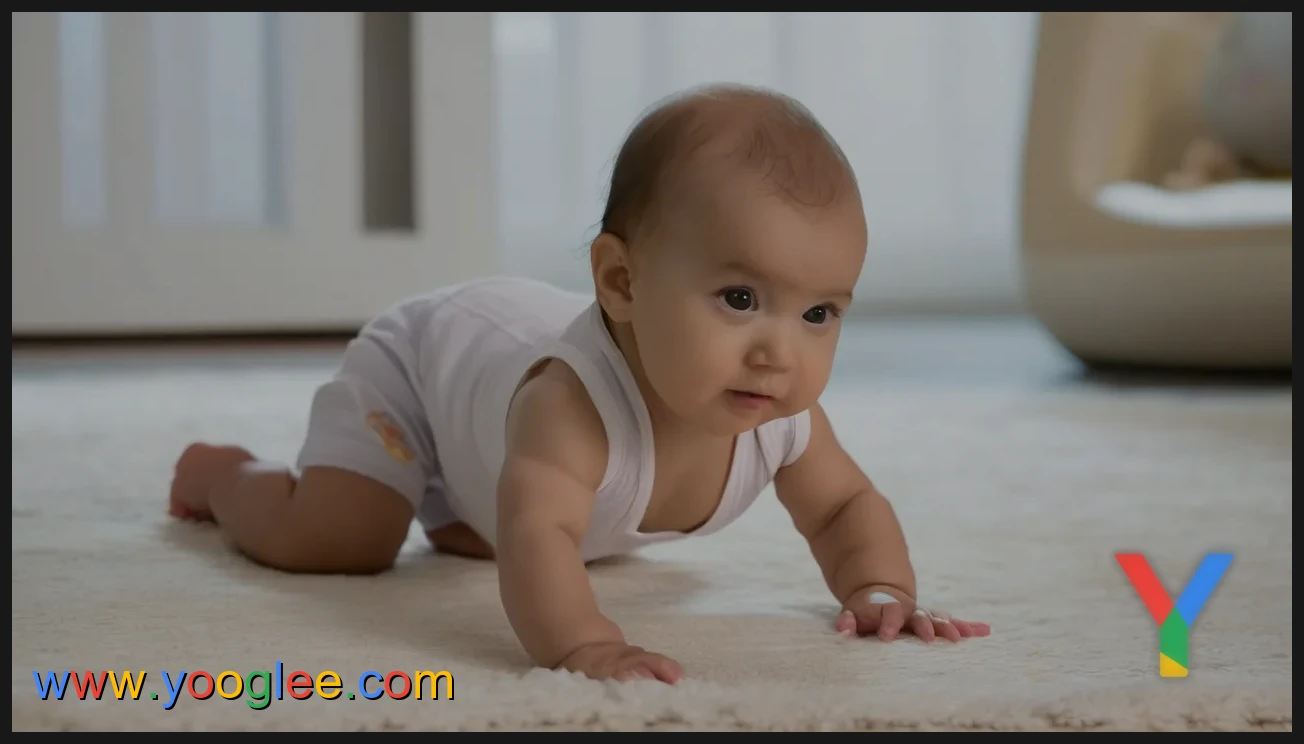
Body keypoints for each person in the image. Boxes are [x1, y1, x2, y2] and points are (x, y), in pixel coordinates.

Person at [168, 83, 991, 685]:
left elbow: (846, 508)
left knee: (521, 511)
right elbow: (537, 545)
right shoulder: (570, 407)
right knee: (346, 539)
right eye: (740, 299)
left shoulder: (777, 417)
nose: (779, 351)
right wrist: (584, 644)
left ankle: (463, 498)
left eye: (819, 313)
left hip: (488, 428)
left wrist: (879, 586)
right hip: (420, 374)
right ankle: (221, 475)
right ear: (623, 283)